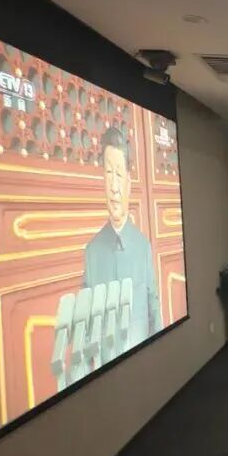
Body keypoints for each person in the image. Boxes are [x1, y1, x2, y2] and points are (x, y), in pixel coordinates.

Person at [83, 126, 163, 348]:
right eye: (109, 174)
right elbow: (86, 324)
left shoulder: (142, 246)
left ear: (128, 183)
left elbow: (153, 306)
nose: (114, 187)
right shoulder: (92, 251)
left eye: (118, 175)